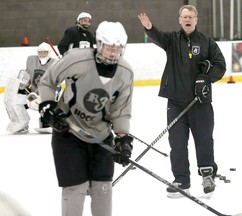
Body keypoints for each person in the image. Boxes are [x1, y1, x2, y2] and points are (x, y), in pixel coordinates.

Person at [37, 21, 134, 216]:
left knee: (103, 189)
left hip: (101, 136)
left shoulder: (126, 72)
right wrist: (48, 106)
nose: (113, 53)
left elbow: (121, 109)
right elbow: (47, 81)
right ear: (99, 43)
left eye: (118, 48)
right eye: (109, 47)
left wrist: (122, 139)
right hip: (68, 132)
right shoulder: (76, 60)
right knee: (75, 189)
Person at [138, 5, 226, 198]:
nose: (188, 19)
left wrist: (207, 77)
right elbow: (158, 36)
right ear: (179, 20)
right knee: (177, 143)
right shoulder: (171, 40)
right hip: (176, 102)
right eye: (184, 16)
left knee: (204, 140)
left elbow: (221, 65)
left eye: (191, 16)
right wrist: (149, 28)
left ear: (196, 19)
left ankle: (207, 176)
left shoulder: (206, 41)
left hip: (200, 102)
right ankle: (181, 181)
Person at [4, 42, 57, 134]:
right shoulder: (31, 60)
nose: (42, 54)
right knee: (15, 100)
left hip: (46, 94)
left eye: (45, 52)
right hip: (31, 92)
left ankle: (46, 123)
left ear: (49, 53)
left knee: (47, 103)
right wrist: (23, 84)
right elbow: (27, 76)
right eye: (40, 52)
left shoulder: (55, 64)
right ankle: (22, 123)